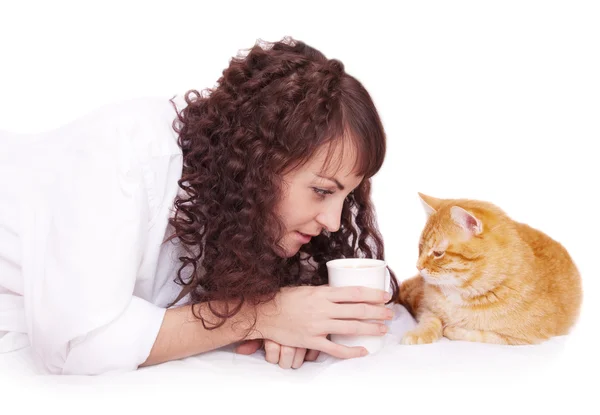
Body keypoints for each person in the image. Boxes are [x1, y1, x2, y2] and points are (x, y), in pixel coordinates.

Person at [0, 36, 399, 375]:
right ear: (261, 163)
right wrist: (260, 315)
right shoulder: (126, 154)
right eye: (322, 191)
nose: (333, 222)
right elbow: (77, 345)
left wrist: (305, 316)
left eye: (347, 196)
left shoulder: (238, 206)